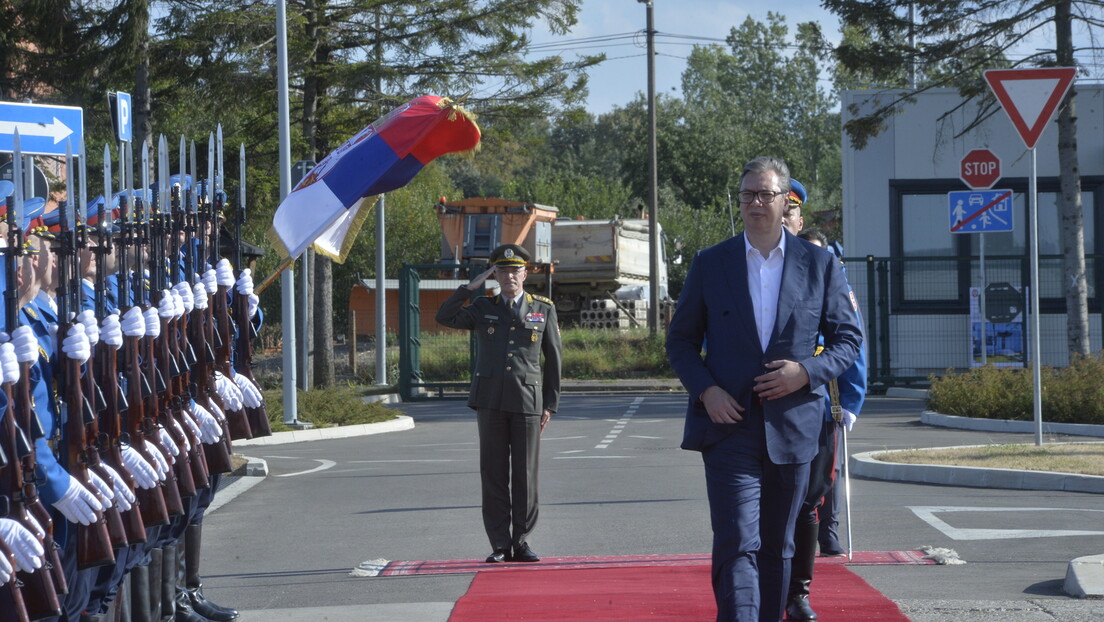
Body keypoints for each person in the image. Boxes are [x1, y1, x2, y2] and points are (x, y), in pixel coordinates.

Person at [665, 156, 862, 622]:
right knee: (736, 541)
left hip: (793, 428)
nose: (755, 203)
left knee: (778, 545)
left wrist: (807, 372)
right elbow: (681, 341)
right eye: (747, 195)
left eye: (765, 194)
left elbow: (848, 339)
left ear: (784, 200)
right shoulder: (712, 263)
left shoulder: (820, 264)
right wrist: (706, 391)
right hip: (728, 426)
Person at [435, 243, 562, 564]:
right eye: (502, 270)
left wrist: (550, 404)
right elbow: (444, 316)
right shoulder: (482, 306)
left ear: (525, 273)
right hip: (490, 400)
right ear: (495, 274)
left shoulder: (543, 308)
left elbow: (554, 359)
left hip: (528, 401)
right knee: (492, 474)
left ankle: (521, 540)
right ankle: (499, 544)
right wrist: (469, 286)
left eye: (515, 270)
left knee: (525, 474)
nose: (510, 276)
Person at [781, 183, 868, 622]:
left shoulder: (825, 268)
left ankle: (798, 592)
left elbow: (850, 340)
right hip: (762, 405)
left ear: (798, 216)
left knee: (810, 499)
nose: (782, 217)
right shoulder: (747, 264)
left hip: (817, 399)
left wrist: (850, 401)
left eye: (790, 209)